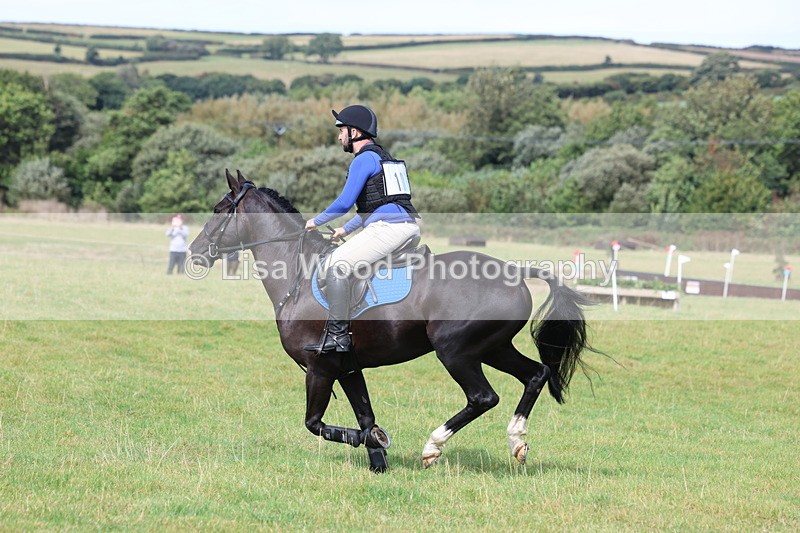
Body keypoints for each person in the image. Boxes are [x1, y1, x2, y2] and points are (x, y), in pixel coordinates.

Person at [304, 104, 420, 354]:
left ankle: (338, 337)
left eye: (341, 130)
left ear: (354, 132)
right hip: (407, 226)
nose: (338, 137)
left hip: (388, 228)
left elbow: (345, 202)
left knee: (335, 267)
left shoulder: (363, 160)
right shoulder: (383, 157)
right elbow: (378, 205)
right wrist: (345, 229)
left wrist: (315, 221)